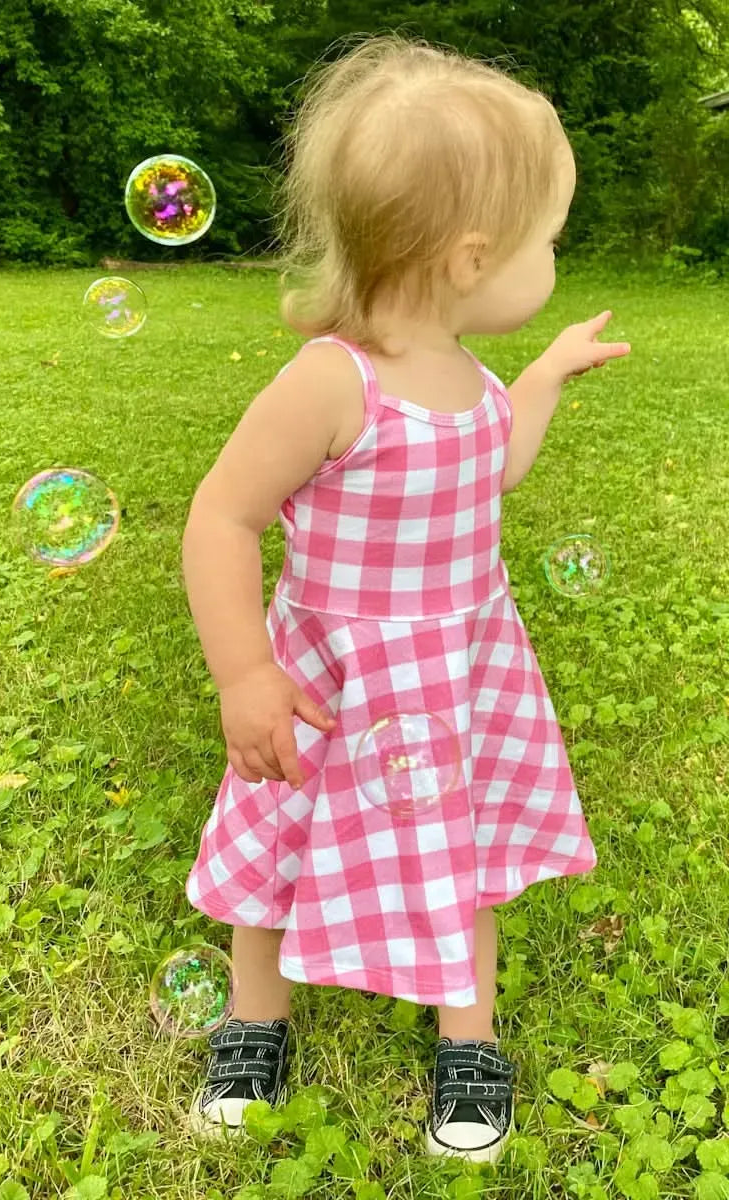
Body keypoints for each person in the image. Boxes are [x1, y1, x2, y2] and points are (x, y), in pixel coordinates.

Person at [181, 33, 631, 1164]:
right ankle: (253, 1019)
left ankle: (465, 1034)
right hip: (338, 677)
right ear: (470, 257)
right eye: (549, 245)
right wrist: (247, 673)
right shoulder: (333, 380)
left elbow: (493, 467)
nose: (553, 263)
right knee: (282, 836)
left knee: (463, 843)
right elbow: (220, 519)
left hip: (459, 664)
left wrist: (538, 378)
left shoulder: (470, 376)